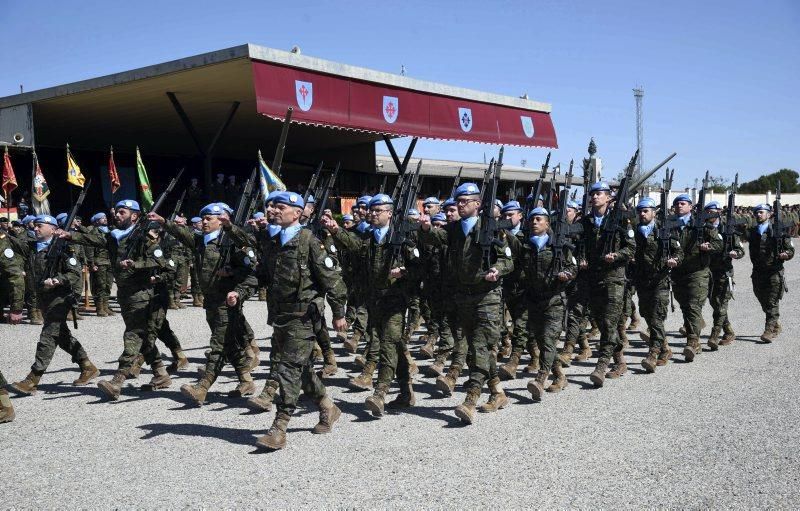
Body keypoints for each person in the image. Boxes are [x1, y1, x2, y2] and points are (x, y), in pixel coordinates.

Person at [239, 191, 346, 450]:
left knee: (286, 369)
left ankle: (279, 426)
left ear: (297, 213)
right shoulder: (273, 241)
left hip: (303, 318)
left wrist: (340, 314)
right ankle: (328, 408)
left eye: (280, 206)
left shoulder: (309, 240)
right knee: (302, 370)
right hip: (280, 317)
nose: (273, 210)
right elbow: (260, 274)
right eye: (271, 206)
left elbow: (333, 279)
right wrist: (240, 291)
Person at [417, 182, 514, 425]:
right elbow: (436, 238)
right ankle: (498, 393)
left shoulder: (492, 229)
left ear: (477, 204)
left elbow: (508, 260)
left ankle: (470, 400)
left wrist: (497, 269)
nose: (460, 205)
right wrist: (427, 228)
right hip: (464, 296)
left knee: (480, 347)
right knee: (476, 347)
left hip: (487, 297)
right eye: (458, 201)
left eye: (465, 201)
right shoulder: (454, 229)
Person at [63, 200, 173, 400]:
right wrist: (70, 235)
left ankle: (118, 380)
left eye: (122, 212)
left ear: (134, 216)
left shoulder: (144, 237)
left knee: (133, 334)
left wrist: (135, 264)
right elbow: (92, 239)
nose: (117, 215)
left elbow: (159, 261)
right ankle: (160, 373)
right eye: (117, 212)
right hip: (124, 293)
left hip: (141, 293)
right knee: (143, 335)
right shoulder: (115, 236)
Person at [324, 193, 420, 417]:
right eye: (372, 210)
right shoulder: (369, 236)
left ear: (389, 213)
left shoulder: (403, 237)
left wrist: (404, 271)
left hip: (395, 300)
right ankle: (406, 392)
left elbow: (420, 267)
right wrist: (336, 230)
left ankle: (380, 393)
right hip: (373, 299)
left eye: (379, 211)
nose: (373, 214)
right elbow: (355, 246)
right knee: (392, 345)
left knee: (387, 344)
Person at [152, 203, 258, 405]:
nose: (205, 222)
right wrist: (163, 222)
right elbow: (182, 233)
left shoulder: (232, 242)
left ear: (222, 219)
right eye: (204, 218)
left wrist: (231, 274)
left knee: (217, 345)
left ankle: (202, 388)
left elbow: (251, 270)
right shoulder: (201, 241)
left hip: (228, 301)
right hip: (210, 301)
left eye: (210, 218)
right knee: (227, 344)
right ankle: (246, 380)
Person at [9, 214, 100, 395]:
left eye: (39, 226)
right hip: (44, 298)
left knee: (48, 336)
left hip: (60, 298)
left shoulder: (64, 248)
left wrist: (57, 280)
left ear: (52, 228)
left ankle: (33, 378)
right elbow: (11, 242)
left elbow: (74, 273)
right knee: (62, 335)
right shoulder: (32, 246)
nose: (35, 228)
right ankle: (87, 366)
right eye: (35, 226)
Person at [508, 207, 576, 399]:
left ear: (547, 223)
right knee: (541, 341)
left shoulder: (558, 245)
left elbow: (572, 266)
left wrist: (567, 275)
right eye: (532, 220)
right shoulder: (526, 246)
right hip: (533, 301)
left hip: (554, 300)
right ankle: (560, 376)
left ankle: (540, 379)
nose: (534, 222)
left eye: (539, 219)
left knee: (547, 341)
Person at [579, 182, 635, 387]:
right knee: (602, 323)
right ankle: (620, 360)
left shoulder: (620, 220)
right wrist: (582, 258)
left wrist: (618, 255)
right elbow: (581, 245)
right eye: (592, 194)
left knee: (610, 322)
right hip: (594, 278)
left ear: (609, 198)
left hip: (614, 278)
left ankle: (601, 366)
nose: (595, 197)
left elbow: (631, 248)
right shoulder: (586, 221)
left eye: (599, 194)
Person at [631, 198, 682, 372]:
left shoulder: (664, 230)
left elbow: (678, 250)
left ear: (654, 212)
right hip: (642, 280)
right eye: (640, 211)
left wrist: (675, 260)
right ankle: (666, 349)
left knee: (656, 317)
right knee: (647, 315)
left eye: (646, 211)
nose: (642, 214)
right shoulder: (635, 231)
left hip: (660, 279)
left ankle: (652, 354)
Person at [671, 194, 722, 360]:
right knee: (685, 306)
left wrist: (709, 246)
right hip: (678, 272)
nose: (679, 206)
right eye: (677, 203)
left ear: (690, 207)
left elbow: (719, 243)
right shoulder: (670, 225)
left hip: (698, 271)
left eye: (683, 203)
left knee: (693, 306)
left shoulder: (702, 225)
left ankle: (692, 342)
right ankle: (696, 332)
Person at [748, 203, 794, 342]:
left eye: (762, 212)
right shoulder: (753, 231)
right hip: (757, 271)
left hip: (774, 271)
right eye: (757, 212)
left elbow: (790, 249)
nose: (759, 215)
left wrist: (787, 254)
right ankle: (775, 325)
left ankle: (768, 330)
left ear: (769, 214)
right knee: (762, 299)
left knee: (772, 301)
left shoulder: (778, 230)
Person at [705, 201, 744, 349]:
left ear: (719, 212)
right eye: (707, 212)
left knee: (721, 303)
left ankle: (714, 336)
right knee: (714, 302)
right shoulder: (703, 229)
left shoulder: (727, 229)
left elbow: (740, 250)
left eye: (712, 211)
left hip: (724, 271)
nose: (709, 214)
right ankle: (728, 331)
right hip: (708, 271)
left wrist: (736, 253)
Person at [86, 212, 116, 317]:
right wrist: (91, 263)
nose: (105, 219)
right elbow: (90, 248)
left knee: (108, 285)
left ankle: (106, 306)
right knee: (100, 285)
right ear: (97, 221)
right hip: (99, 262)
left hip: (110, 262)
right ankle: (100, 308)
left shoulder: (110, 231)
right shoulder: (94, 232)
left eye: (105, 217)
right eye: (102, 218)